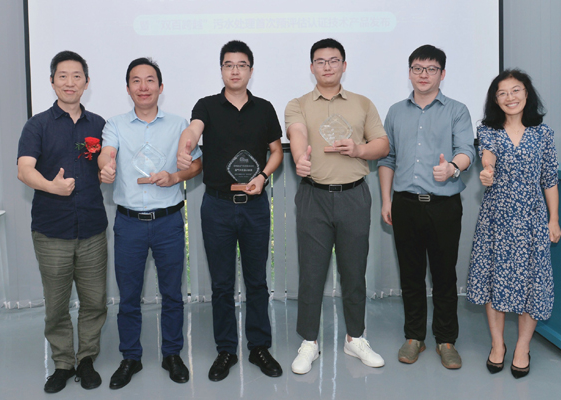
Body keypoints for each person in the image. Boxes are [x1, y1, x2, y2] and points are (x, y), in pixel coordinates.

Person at [177, 40, 283, 382]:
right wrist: (185, 145)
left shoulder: (264, 108)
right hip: (217, 206)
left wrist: (263, 177)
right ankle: (226, 350)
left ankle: (259, 347)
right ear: (221, 69)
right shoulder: (207, 105)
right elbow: (193, 129)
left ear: (251, 70)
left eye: (241, 65)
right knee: (222, 284)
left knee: (257, 281)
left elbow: (276, 152)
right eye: (228, 65)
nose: (235, 71)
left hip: (255, 207)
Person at [285, 38, 389, 375]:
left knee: (354, 272)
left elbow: (382, 144)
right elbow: (297, 133)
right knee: (311, 273)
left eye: (333, 60)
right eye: (320, 61)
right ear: (311, 67)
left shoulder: (362, 103)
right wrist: (300, 158)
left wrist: (359, 150)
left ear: (344, 65)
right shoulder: (298, 104)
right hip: (313, 196)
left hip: (354, 196)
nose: (327, 66)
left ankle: (355, 338)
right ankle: (309, 342)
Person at [98, 57, 202, 389]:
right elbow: (106, 153)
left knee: (172, 294)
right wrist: (105, 166)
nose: (143, 87)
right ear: (128, 88)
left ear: (160, 87)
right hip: (129, 223)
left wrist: (175, 176)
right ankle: (131, 357)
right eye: (136, 81)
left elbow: (196, 165)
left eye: (150, 80)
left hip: (168, 222)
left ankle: (172, 354)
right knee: (129, 296)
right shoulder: (114, 124)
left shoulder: (178, 124)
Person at [378, 45, 475, 369]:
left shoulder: (457, 110)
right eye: (417, 68)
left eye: (431, 69)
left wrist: (453, 168)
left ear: (442, 74)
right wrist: (387, 199)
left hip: (443, 205)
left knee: (444, 275)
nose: (424, 74)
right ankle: (414, 337)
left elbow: (466, 150)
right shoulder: (395, 112)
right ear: (409, 72)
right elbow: (388, 159)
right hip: (405, 204)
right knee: (411, 275)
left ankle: (446, 340)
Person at [17, 50, 108, 393]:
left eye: (77, 76)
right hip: (51, 229)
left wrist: (107, 171)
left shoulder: (99, 125)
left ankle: (86, 359)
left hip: (92, 228)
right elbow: (24, 169)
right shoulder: (37, 125)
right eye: (63, 76)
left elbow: (103, 165)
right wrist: (50, 186)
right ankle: (63, 363)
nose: (70, 82)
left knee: (94, 301)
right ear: (53, 81)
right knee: (56, 305)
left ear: (86, 82)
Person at [467, 69, 560, 379]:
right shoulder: (488, 130)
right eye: (502, 93)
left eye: (515, 90)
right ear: (495, 100)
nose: (510, 97)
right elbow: (488, 158)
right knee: (494, 281)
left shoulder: (543, 133)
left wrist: (554, 219)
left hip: (533, 219)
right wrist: (487, 172)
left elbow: (549, 179)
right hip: (497, 219)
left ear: (526, 93)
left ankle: (522, 347)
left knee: (532, 284)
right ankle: (497, 345)